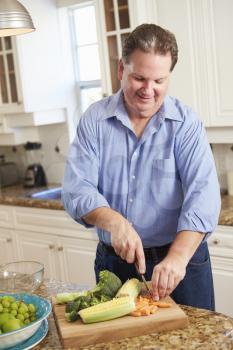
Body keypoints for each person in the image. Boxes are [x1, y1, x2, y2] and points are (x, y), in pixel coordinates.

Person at [62, 23, 221, 310]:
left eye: (159, 81)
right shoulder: (94, 121)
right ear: (122, 71)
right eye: (139, 78)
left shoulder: (186, 124)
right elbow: (76, 189)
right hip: (116, 264)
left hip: (180, 263)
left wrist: (177, 258)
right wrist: (115, 222)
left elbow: (204, 197)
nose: (149, 90)